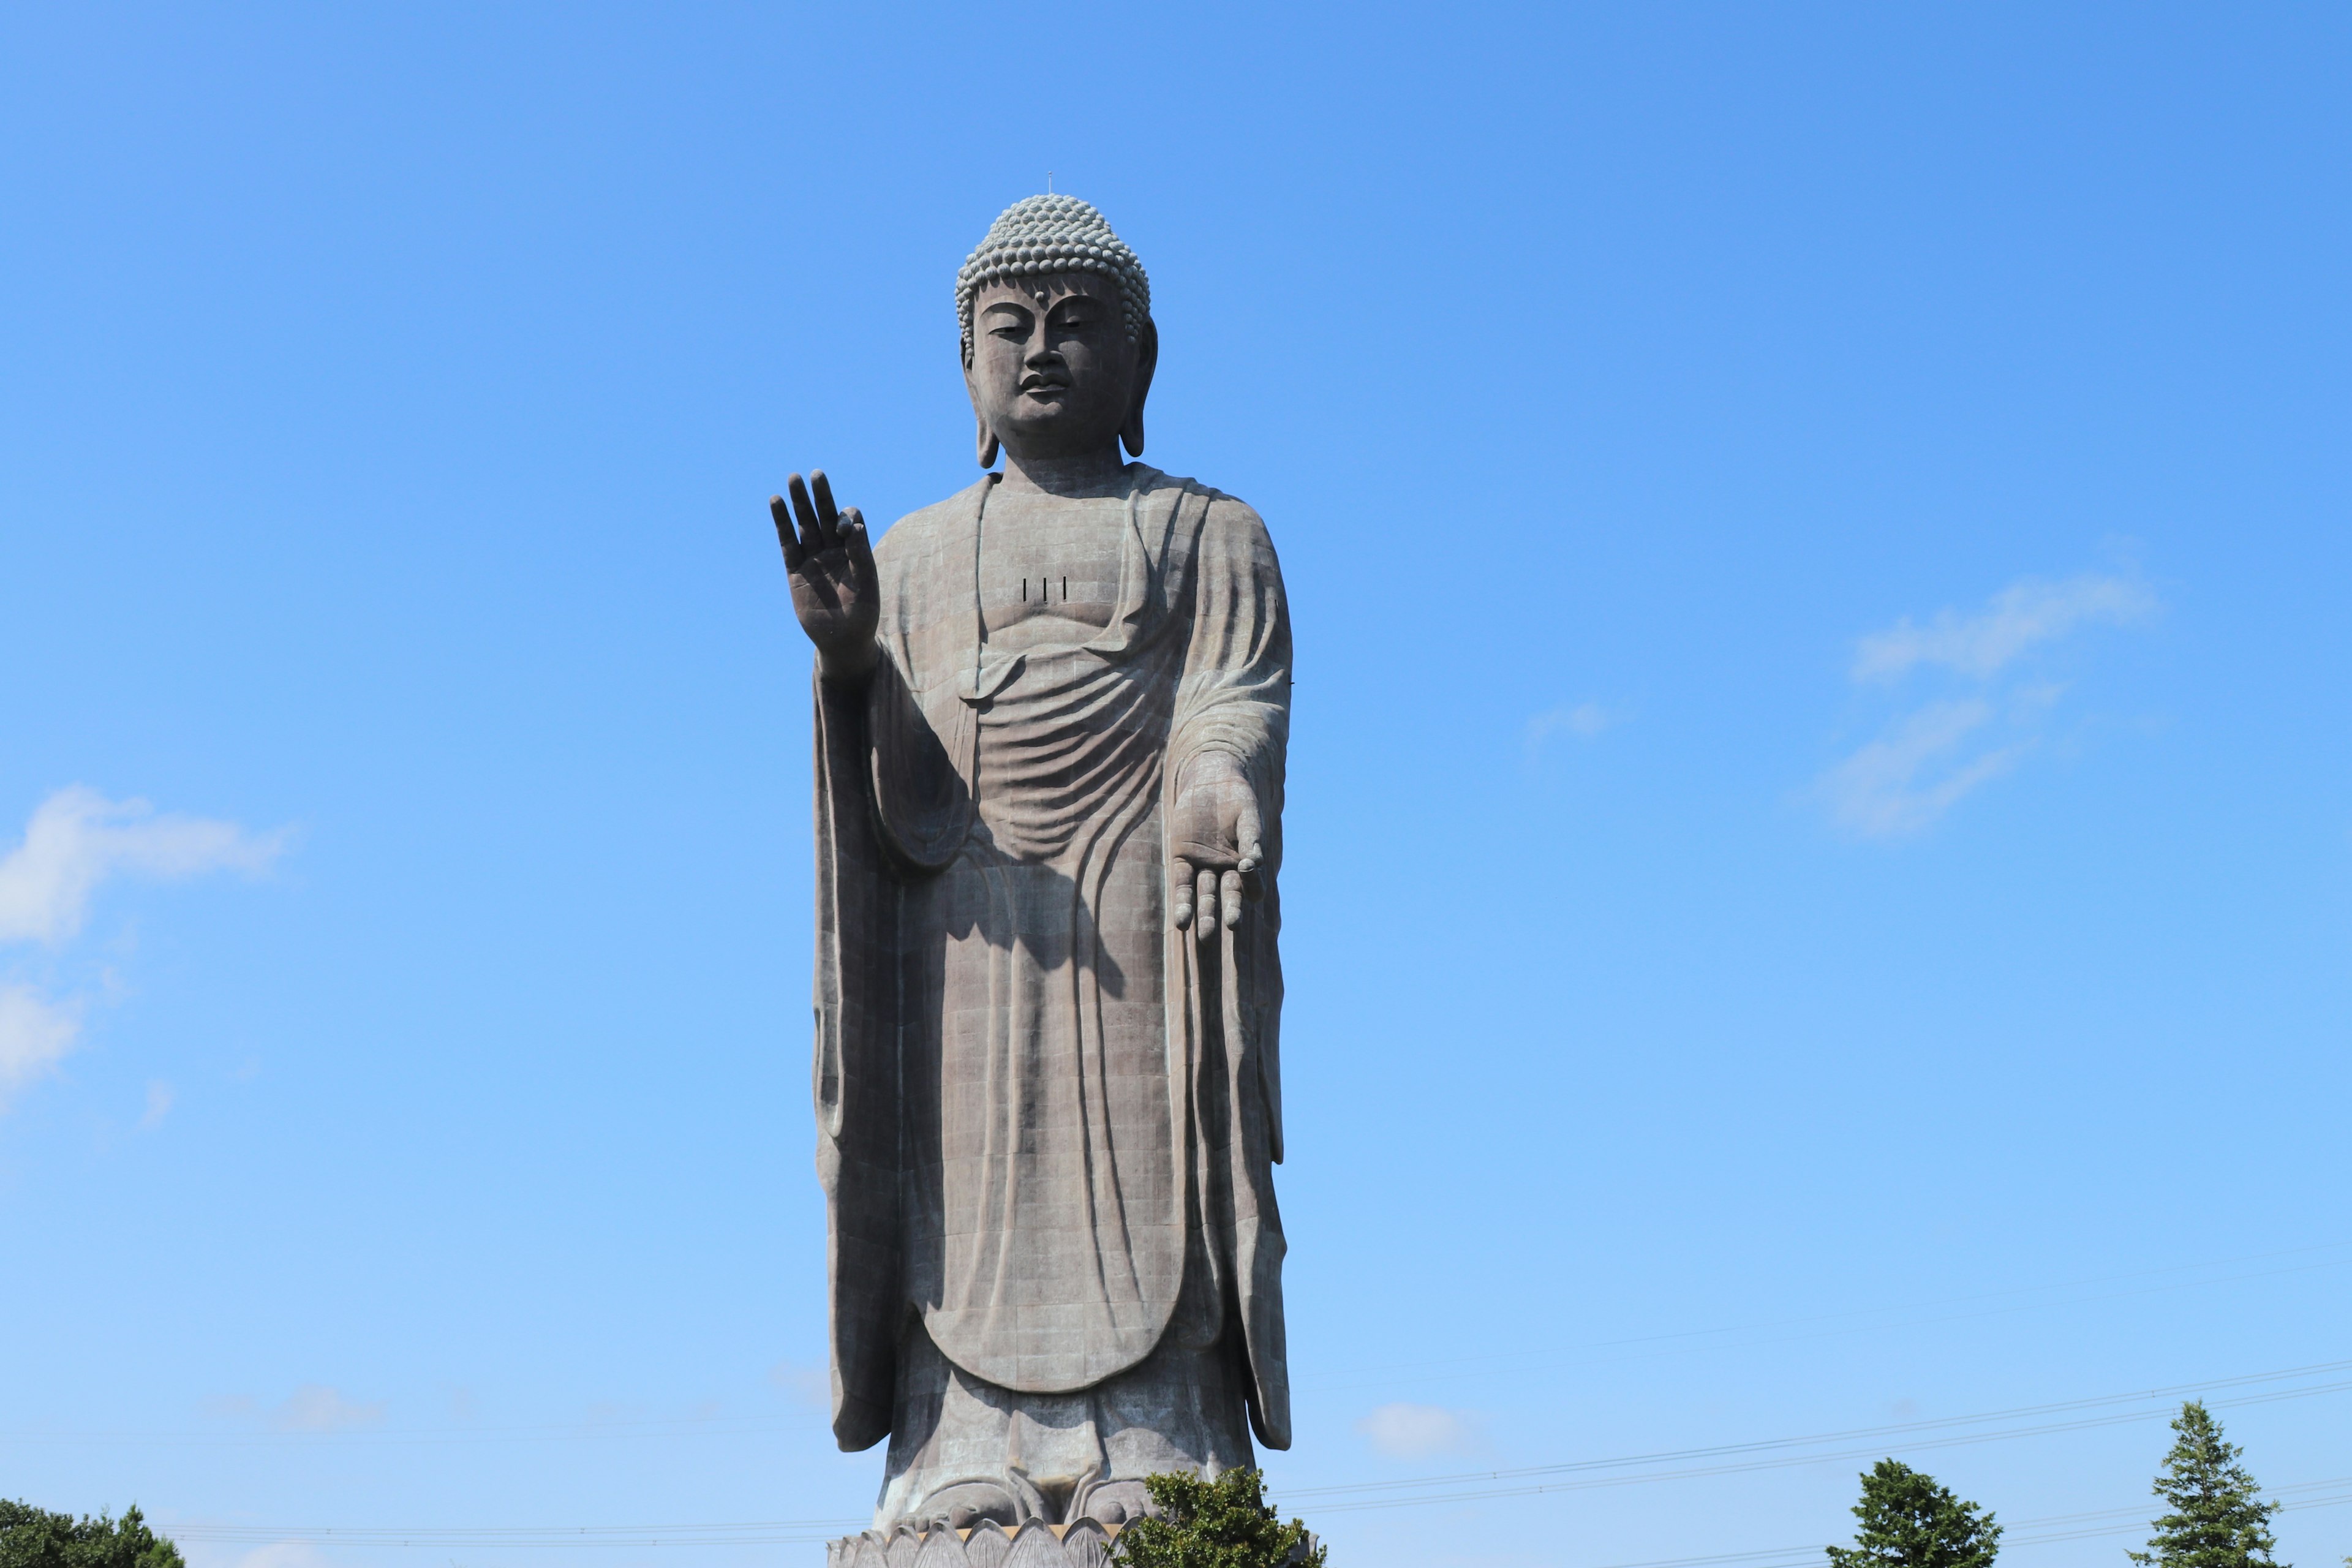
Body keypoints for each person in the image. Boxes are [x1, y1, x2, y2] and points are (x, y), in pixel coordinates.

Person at [770, 195, 1294, 1531]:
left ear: (1142, 362)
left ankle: (1163, 1434)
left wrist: (1218, 774)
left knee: (1149, 1157)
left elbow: (1234, 693)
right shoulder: (920, 551)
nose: (1044, 350)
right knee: (963, 1185)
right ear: (969, 369)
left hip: (1138, 912)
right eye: (1011, 327)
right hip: (968, 932)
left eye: (1078, 325)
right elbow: (907, 792)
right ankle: (957, 1444)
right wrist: (846, 661)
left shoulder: (1207, 531)